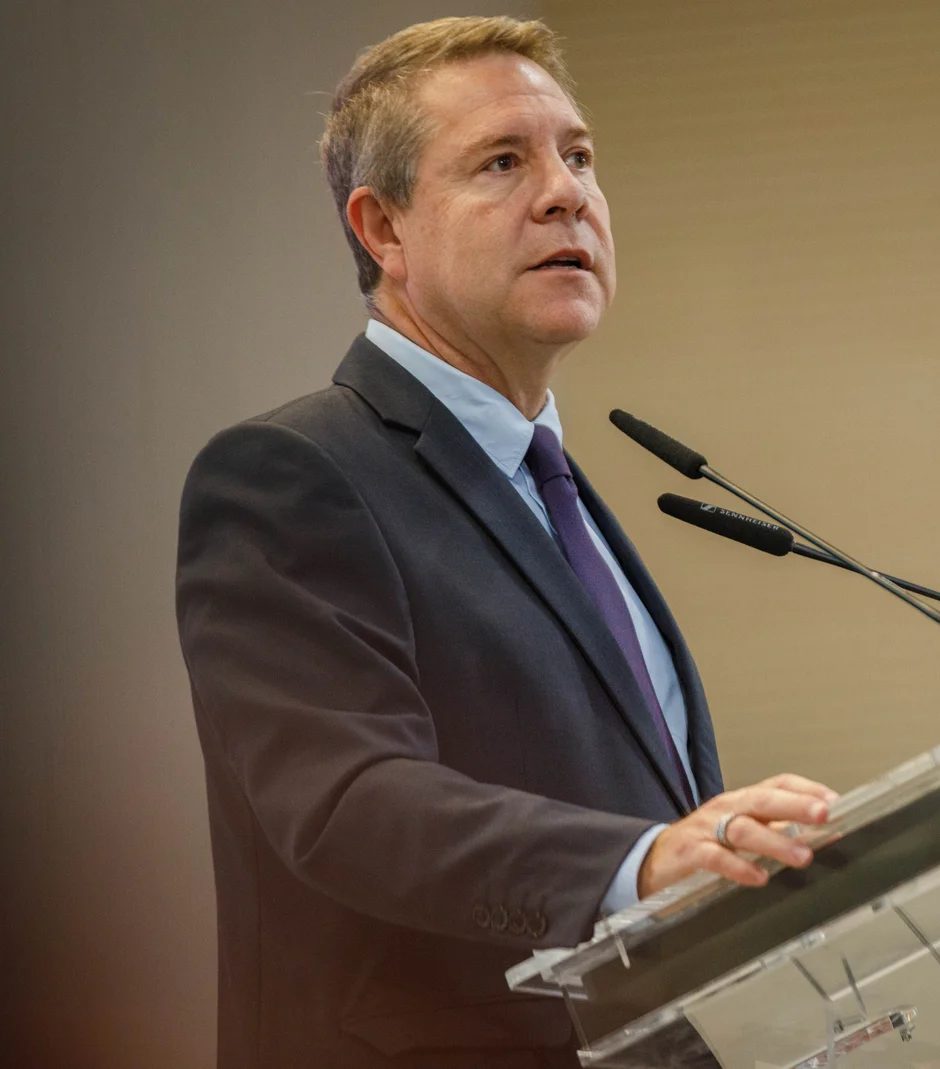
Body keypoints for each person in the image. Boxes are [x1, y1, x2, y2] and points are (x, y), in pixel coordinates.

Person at [175, 17, 834, 1068]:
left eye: (579, 156)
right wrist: (643, 859)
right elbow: (345, 800)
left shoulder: (558, 492)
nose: (567, 191)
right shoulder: (293, 475)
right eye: (501, 162)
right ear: (382, 229)